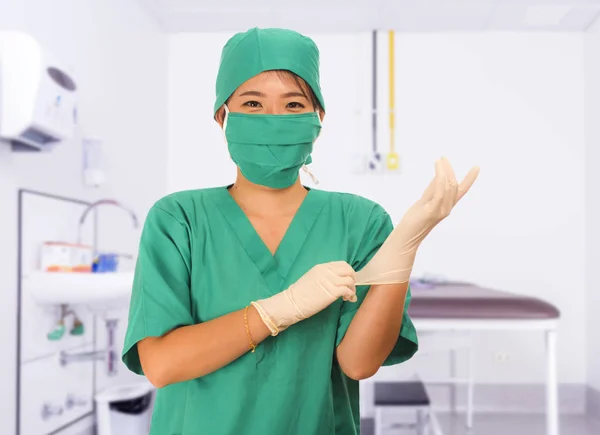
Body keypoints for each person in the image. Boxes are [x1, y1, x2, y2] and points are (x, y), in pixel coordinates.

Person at [121, 27, 478, 435]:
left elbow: (359, 363)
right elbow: (162, 364)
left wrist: (403, 254)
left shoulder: (358, 221)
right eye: (252, 103)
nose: (274, 120)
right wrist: (277, 310)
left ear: (317, 119)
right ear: (223, 116)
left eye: (293, 104)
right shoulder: (179, 219)